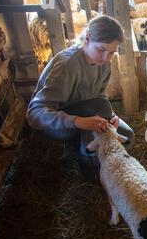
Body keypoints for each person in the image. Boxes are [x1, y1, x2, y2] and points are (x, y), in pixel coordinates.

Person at [26, 15, 135, 168]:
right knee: (98, 109)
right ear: (88, 39)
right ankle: (89, 165)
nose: (105, 57)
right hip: (58, 125)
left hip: (87, 115)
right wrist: (79, 122)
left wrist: (111, 116)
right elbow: (34, 114)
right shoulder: (67, 65)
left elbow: (99, 96)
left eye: (111, 52)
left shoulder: (104, 65)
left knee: (127, 136)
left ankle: (88, 150)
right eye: (101, 49)